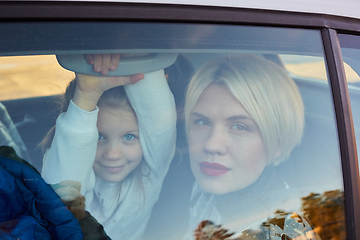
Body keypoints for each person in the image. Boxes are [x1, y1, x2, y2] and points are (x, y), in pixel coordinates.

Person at [41, 54, 177, 240]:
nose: (113, 154)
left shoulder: (149, 174)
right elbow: (61, 198)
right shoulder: (73, 169)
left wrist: (132, 50)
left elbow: (160, 122)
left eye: (129, 137)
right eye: (99, 137)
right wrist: (86, 96)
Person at [183, 54, 317, 239]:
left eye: (240, 127)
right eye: (202, 122)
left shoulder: (284, 231)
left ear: (277, 143)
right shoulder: (204, 190)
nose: (211, 144)